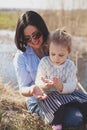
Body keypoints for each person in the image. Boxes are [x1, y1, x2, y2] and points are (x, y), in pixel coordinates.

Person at [35, 29, 87, 130]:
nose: (56, 58)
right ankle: (57, 125)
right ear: (49, 49)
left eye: (61, 55)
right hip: (50, 94)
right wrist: (44, 84)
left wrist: (61, 86)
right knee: (58, 106)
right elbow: (38, 81)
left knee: (85, 100)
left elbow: (72, 84)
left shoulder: (70, 65)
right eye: (52, 54)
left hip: (67, 92)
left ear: (68, 52)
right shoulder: (45, 62)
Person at [13, 10, 49, 118]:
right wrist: (32, 89)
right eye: (27, 38)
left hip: (59, 95)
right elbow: (23, 88)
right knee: (75, 118)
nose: (33, 40)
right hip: (36, 101)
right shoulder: (21, 57)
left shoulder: (54, 44)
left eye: (36, 35)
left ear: (42, 29)